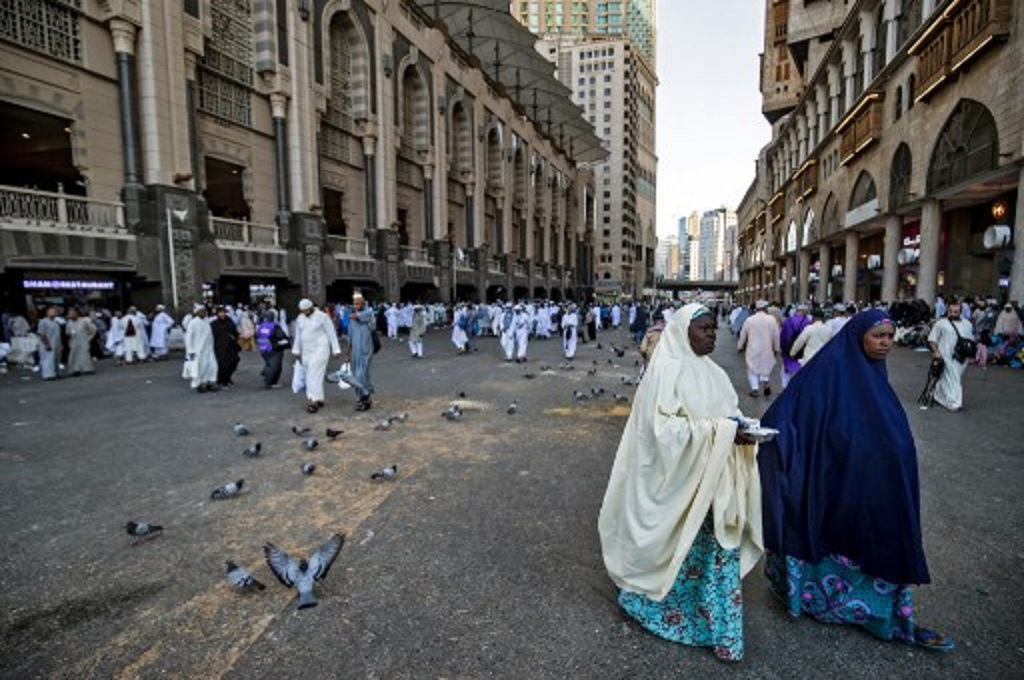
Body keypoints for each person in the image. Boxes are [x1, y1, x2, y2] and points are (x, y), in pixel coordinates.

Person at [758, 308, 953, 651]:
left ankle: (874, 612)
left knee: (875, 540)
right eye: (878, 336)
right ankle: (821, 602)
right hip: (830, 481)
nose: (886, 344)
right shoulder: (827, 372)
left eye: (890, 337)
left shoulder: (873, 376)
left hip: (869, 485)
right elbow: (784, 417)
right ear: (857, 335)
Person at [599, 304, 762, 663]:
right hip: (681, 484)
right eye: (703, 329)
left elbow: (729, 412)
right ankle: (661, 612)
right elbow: (661, 432)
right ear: (682, 332)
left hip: (714, 482)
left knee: (718, 554)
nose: (711, 335)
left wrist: (741, 428)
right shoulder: (665, 372)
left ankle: (717, 630)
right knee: (678, 549)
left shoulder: (715, 373)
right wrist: (722, 433)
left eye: (713, 329)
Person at [292, 298, 342, 413]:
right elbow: (298, 335)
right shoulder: (300, 318)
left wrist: (336, 349)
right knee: (313, 374)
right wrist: (296, 350)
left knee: (313, 374)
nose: (305, 312)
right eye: (302, 311)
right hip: (306, 350)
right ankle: (319, 398)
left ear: (311, 307)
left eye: (306, 310)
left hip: (321, 348)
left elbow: (331, 333)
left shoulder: (322, 316)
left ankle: (312, 401)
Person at [926, 302, 974, 412]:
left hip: (962, 358)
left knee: (948, 378)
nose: (952, 313)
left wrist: (971, 354)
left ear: (960, 312)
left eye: (955, 312)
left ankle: (937, 395)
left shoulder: (967, 324)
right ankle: (954, 403)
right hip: (945, 355)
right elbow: (932, 339)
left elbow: (971, 340)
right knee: (953, 378)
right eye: (950, 311)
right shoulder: (941, 323)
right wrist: (936, 352)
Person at [737, 300, 780, 398]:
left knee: (752, 368)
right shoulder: (772, 319)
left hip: (753, 347)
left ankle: (755, 388)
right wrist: (776, 348)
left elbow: (743, 334)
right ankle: (766, 385)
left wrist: (740, 346)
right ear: (766, 309)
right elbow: (776, 335)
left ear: (756, 309)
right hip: (767, 347)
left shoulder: (750, 320)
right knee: (766, 366)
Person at [346, 292, 375, 411]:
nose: (356, 306)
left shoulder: (368, 313)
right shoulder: (353, 317)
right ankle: (360, 398)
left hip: (366, 349)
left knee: (362, 374)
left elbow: (358, 316)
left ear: (363, 304)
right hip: (355, 351)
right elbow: (350, 336)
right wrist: (348, 353)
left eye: (358, 304)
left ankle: (366, 397)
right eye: (354, 304)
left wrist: (354, 315)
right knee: (355, 374)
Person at [183, 305, 218, 393]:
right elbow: (189, 338)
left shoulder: (206, 321)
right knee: (200, 367)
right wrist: (190, 351)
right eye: (201, 311)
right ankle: (201, 384)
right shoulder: (193, 323)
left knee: (212, 366)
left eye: (204, 311)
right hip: (198, 351)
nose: (204, 313)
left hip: (209, 349)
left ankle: (211, 382)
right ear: (197, 312)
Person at [779, 304, 810, 389]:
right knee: (799, 367)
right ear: (805, 312)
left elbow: (783, 335)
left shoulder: (789, 320)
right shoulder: (807, 322)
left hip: (788, 347)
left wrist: (782, 346)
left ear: (797, 311)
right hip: (802, 349)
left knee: (786, 370)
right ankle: (798, 387)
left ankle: (785, 387)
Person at [255, 310, 289, 388]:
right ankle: (270, 382)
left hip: (263, 348)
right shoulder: (275, 326)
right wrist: (286, 341)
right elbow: (281, 336)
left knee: (268, 364)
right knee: (275, 366)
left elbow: (256, 336)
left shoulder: (261, 326)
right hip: (274, 348)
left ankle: (266, 376)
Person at [210, 306, 241, 387]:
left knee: (233, 363)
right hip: (220, 348)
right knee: (222, 365)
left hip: (231, 346)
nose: (222, 314)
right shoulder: (214, 324)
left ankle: (227, 378)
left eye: (223, 312)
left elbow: (235, 332)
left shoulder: (230, 321)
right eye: (220, 312)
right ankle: (222, 381)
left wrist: (235, 337)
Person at [65, 307, 96, 376]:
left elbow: (93, 330)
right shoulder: (69, 322)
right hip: (74, 341)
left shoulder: (84, 321)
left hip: (83, 340)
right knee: (74, 356)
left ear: (77, 313)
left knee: (84, 355)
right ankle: (75, 370)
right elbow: (67, 332)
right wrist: (70, 335)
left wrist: (89, 339)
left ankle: (87, 369)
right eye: (69, 313)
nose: (70, 315)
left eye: (72, 313)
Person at [37, 306, 63, 380]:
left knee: (55, 359)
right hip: (47, 344)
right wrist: (47, 344)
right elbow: (42, 334)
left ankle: (55, 373)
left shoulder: (56, 323)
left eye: (55, 311)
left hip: (56, 344)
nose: (54, 313)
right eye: (52, 311)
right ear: (47, 313)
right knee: (47, 360)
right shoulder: (43, 321)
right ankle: (48, 375)